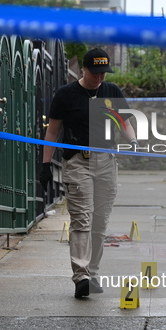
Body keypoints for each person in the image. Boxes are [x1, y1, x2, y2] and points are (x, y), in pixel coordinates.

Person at [38, 48, 137, 299]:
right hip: (78, 163)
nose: (100, 77)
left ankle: (93, 273)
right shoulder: (66, 95)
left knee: (100, 222)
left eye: (104, 73)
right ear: (84, 69)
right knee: (82, 218)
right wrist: (46, 164)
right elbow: (52, 132)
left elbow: (124, 122)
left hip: (106, 162)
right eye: (95, 73)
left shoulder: (111, 92)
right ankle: (81, 276)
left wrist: (133, 141)